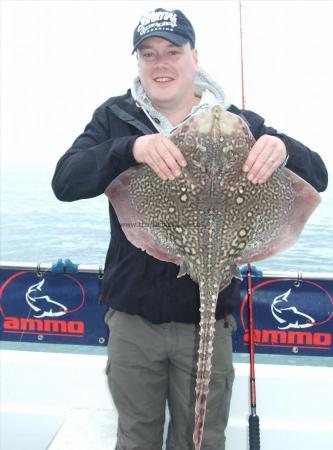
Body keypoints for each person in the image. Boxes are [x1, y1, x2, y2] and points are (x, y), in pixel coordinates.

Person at [52, 7, 328, 450]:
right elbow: (66, 181)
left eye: (172, 51)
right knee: (136, 438)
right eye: (148, 54)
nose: (161, 63)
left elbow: (318, 175)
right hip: (133, 321)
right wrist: (131, 148)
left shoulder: (242, 124)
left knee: (200, 439)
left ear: (194, 57)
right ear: (138, 62)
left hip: (210, 317)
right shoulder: (117, 117)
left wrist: (283, 148)